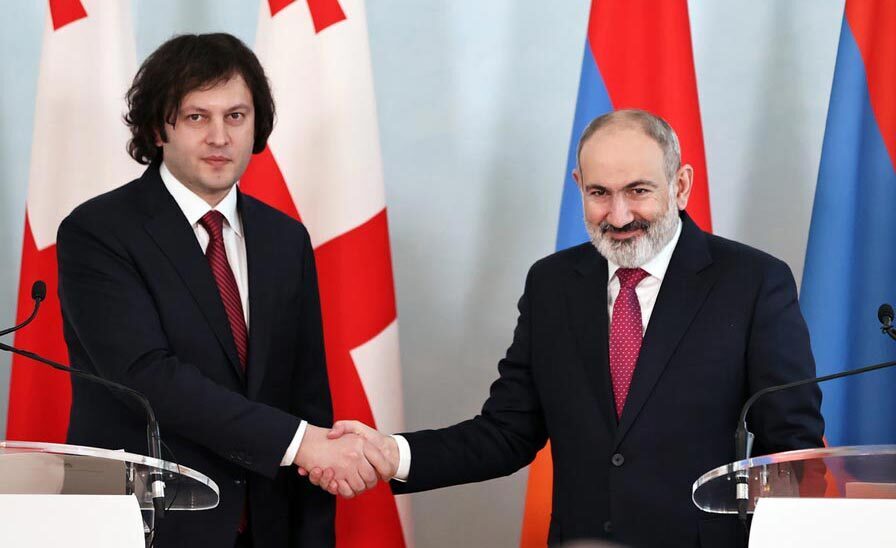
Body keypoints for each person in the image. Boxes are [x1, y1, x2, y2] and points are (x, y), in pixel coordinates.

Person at [309, 109, 825, 547]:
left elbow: (791, 447)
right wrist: (391, 454)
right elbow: (506, 432)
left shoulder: (752, 282)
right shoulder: (552, 284)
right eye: (600, 193)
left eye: (638, 191)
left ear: (681, 185)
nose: (618, 216)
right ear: (579, 186)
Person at [57, 33, 387, 548]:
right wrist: (300, 443)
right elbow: (147, 377)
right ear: (157, 128)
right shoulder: (98, 232)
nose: (219, 137)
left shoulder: (285, 239)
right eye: (197, 117)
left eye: (235, 116)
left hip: (266, 528)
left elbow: (307, 398)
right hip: (147, 528)